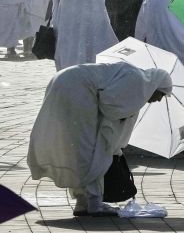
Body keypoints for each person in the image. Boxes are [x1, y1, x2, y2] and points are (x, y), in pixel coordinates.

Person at [27, 62, 171, 217]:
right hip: (78, 90)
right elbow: (110, 105)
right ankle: (94, 203)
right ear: (155, 85)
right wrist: (124, 114)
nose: (159, 100)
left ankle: (83, 202)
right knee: (91, 149)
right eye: (161, 94)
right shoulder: (136, 79)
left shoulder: (136, 79)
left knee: (76, 148)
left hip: (65, 82)